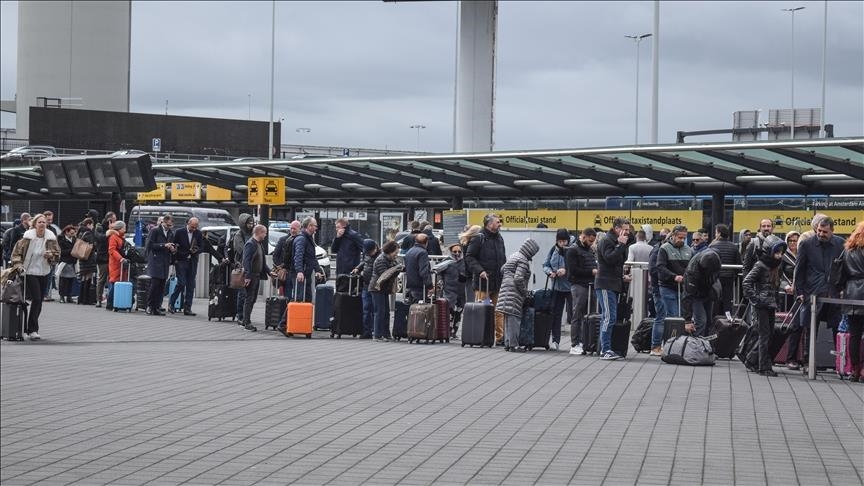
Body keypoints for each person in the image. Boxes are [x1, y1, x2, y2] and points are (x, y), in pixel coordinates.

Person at [788, 216, 845, 371]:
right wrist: (800, 292)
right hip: (812, 293)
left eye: (824, 232)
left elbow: (844, 268)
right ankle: (808, 362)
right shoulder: (806, 244)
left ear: (832, 231)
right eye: (819, 230)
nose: (820, 234)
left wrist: (842, 289)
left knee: (837, 328)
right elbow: (799, 270)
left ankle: (840, 364)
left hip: (833, 293)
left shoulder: (840, 244)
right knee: (810, 329)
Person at [7, 213, 60, 340]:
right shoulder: (27, 238)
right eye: (39, 222)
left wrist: (51, 255)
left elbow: (57, 255)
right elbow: (16, 254)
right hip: (29, 272)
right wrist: (19, 265)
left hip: (44, 272)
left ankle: (31, 329)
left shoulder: (51, 238)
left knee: (39, 301)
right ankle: (31, 329)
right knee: (36, 298)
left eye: (44, 222)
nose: (42, 224)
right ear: (35, 224)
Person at [742, 235, 787, 376]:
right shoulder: (761, 265)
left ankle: (753, 361)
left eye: (781, 252)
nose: (779, 255)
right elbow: (746, 282)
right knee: (764, 335)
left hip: (770, 303)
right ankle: (763, 366)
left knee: (768, 334)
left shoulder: (775, 265)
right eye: (777, 252)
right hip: (763, 304)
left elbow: (776, 283)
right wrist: (756, 300)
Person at [651, 225, 693, 356]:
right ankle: (662, 346)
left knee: (680, 317)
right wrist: (673, 276)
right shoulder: (664, 248)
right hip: (667, 287)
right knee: (672, 316)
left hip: (683, 287)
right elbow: (660, 267)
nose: (682, 240)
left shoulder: (689, 250)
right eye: (680, 237)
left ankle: (674, 347)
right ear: (673, 236)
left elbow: (691, 267)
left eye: (684, 238)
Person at [465, 213, 507, 344]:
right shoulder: (479, 238)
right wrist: (480, 271)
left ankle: (500, 338)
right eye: (497, 222)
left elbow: (503, 257)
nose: (500, 224)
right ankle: (481, 336)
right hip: (483, 283)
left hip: (497, 281)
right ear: (489, 224)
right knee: (483, 310)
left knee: (499, 310)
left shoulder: (499, 238)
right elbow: (469, 257)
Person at [595, 217, 632, 360]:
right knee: (609, 317)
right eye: (625, 229)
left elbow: (620, 260)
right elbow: (609, 259)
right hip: (605, 284)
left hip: (613, 283)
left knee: (609, 317)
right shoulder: (606, 241)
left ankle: (605, 348)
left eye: (628, 229)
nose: (628, 232)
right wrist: (620, 245)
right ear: (617, 229)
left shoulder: (617, 241)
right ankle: (605, 350)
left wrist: (621, 245)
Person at [496, 238, 540, 352]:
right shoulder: (523, 260)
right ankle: (514, 345)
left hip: (505, 288)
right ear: (531, 251)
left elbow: (502, 269)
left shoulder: (514, 255)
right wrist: (524, 292)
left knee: (508, 317)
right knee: (514, 318)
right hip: (514, 292)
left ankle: (508, 343)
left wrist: (508, 277)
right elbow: (518, 278)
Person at [837, 221, 864, 382]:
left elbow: (841, 273)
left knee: (854, 335)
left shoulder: (848, 250)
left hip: (851, 293)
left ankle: (855, 370)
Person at [566, 227, 598, 355]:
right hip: (579, 285)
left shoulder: (589, 250)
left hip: (590, 285)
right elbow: (573, 270)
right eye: (590, 241)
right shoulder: (573, 250)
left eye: (593, 241)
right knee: (577, 315)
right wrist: (591, 272)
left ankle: (586, 342)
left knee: (589, 316)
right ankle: (575, 344)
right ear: (583, 237)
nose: (591, 243)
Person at [681, 249, 722, 336]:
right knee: (701, 321)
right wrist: (687, 321)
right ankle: (696, 342)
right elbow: (687, 297)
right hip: (696, 295)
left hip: (708, 291)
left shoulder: (715, 257)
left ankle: (705, 340)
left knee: (709, 321)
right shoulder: (692, 272)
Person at [543, 229, 572, 350]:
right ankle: (555, 340)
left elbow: (577, 266)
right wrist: (549, 272)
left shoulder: (572, 249)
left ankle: (576, 341)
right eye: (560, 241)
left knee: (574, 315)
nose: (562, 244)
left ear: (568, 240)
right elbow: (546, 264)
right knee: (555, 314)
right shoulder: (553, 250)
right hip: (556, 286)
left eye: (564, 241)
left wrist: (566, 270)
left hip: (570, 287)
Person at [169, 217, 203, 316]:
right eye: (192, 227)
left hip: (192, 261)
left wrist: (196, 250)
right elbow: (174, 245)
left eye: (196, 227)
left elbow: (202, 246)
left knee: (191, 285)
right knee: (181, 283)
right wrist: (174, 259)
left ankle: (187, 308)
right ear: (188, 223)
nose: (194, 229)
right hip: (181, 260)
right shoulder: (179, 232)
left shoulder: (198, 233)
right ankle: (171, 303)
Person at [433, 242, 468, 338]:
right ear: (450, 251)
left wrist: (465, 276)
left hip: (461, 291)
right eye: (454, 251)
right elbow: (439, 272)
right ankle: (447, 331)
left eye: (459, 251)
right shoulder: (446, 261)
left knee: (459, 312)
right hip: (449, 290)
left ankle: (454, 332)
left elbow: (469, 273)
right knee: (449, 311)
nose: (457, 253)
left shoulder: (465, 262)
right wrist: (439, 283)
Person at [144, 214, 176, 316]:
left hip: (165, 261)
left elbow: (171, 246)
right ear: (163, 222)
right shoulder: (155, 231)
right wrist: (163, 245)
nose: (169, 227)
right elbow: (150, 245)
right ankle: (149, 306)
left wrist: (172, 249)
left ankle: (157, 307)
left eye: (171, 225)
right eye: (168, 225)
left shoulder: (170, 233)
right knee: (154, 285)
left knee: (162, 285)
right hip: (155, 260)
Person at [368, 241, 401, 341]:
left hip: (384, 288)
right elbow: (384, 274)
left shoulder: (391, 260)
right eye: (395, 252)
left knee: (386, 312)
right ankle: (377, 335)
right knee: (379, 312)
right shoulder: (381, 260)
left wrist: (398, 268)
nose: (396, 254)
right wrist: (395, 269)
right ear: (390, 251)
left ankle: (386, 334)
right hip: (376, 288)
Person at [240, 224, 270, 331]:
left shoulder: (259, 244)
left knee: (252, 299)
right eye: (265, 233)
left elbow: (262, 262)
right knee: (249, 299)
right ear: (259, 232)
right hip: (251, 276)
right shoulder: (250, 244)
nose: (265, 235)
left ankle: (245, 320)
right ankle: (247, 322)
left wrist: (270, 272)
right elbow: (246, 261)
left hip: (256, 275)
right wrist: (247, 276)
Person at [708, 224, 741, 315]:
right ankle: (727, 318)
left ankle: (714, 319)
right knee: (727, 301)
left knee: (715, 300)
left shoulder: (712, 246)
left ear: (719, 233)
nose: (715, 235)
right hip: (729, 277)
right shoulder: (734, 247)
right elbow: (738, 263)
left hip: (716, 278)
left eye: (716, 233)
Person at [292, 217, 325, 302]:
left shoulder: (308, 238)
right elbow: (298, 256)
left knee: (306, 299)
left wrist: (317, 270)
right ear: (309, 226)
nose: (316, 228)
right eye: (315, 226)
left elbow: (312, 257)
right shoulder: (302, 239)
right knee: (299, 299)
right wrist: (299, 271)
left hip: (306, 275)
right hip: (301, 276)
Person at [352, 239, 379, 339]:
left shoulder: (380, 256)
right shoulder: (367, 253)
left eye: (370, 252)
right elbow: (364, 262)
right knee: (366, 309)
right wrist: (358, 268)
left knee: (374, 310)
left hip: (375, 286)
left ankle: (375, 330)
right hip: (366, 285)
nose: (369, 254)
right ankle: (367, 331)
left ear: (375, 248)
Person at [231, 213, 255, 321]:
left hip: (252, 266)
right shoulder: (238, 235)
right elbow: (241, 249)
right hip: (242, 266)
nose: (251, 225)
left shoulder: (252, 233)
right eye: (248, 223)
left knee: (250, 294)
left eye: (252, 223)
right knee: (242, 292)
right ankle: (240, 315)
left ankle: (246, 315)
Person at [272, 220, 301, 298]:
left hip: (296, 271)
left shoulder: (301, 240)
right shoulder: (283, 239)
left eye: (294, 229)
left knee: (298, 295)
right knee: (287, 295)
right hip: (286, 272)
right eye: (291, 228)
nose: (292, 230)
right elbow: (275, 256)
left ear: (299, 229)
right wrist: (281, 267)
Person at [94, 212, 117, 308]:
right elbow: (100, 238)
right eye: (114, 219)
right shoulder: (100, 227)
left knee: (112, 279)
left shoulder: (114, 228)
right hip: (103, 257)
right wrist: (109, 232)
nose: (115, 221)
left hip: (112, 257)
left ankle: (110, 300)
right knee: (102, 279)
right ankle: (98, 299)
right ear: (109, 219)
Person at [404, 233, 433, 303]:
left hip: (411, 285)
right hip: (419, 285)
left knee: (412, 306)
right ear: (426, 242)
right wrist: (430, 286)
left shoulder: (410, 251)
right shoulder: (423, 253)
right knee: (419, 307)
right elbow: (424, 271)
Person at [105, 221, 127, 311]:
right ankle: (110, 303)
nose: (125, 229)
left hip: (119, 262)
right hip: (116, 262)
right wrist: (120, 258)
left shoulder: (120, 237)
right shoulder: (114, 237)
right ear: (120, 228)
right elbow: (111, 250)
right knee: (114, 282)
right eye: (124, 227)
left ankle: (116, 302)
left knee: (117, 282)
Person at [76, 218, 98, 305]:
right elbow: (92, 245)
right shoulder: (89, 233)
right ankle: (86, 299)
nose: (93, 227)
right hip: (88, 259)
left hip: (82, 258)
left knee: (83, 278)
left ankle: (81, 298)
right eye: (92, 225)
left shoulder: (80, 232)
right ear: (89, 224)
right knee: (88, 278)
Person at [56, 224, 78, 303]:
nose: (73, 234)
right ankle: (61, 296)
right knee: (63, 280)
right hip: (64, 262)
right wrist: (71, 250)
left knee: (71, 280)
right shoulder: (61, 240)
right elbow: (61, 252)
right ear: (66, 232)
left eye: (74, 233)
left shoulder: (75, 239)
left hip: (72, 262)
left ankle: (69, 296)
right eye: (71, 233)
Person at [42, 210, 61, 301]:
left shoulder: (53, 229)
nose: (50, 221)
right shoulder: (41, 228)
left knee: (49, 275)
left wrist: (55, 253)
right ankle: (42, 293)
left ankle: (46, 294)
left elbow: (55, 242)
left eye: (51, 219)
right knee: (42, 275)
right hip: (42, 254)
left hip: (51, 255)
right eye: (48, 219)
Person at [780, 230, 800, 311]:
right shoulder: (782, 255)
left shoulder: (802, 254)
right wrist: (785, 285)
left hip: (799, 291)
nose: (792, 243)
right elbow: (779, 273)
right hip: (787, 291)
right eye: (790, 241)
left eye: (795, 241)